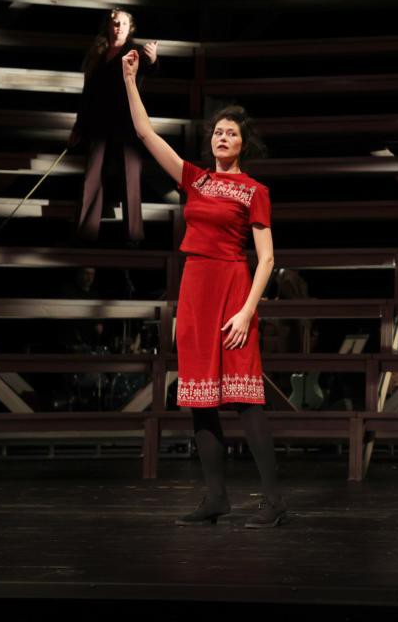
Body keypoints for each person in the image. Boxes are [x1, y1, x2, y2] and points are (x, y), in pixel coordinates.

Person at [121, 49, 285, 528]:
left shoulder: (255, 191)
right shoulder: (195, 180)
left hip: (235, 290)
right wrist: (131, 80)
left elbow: (268, 257)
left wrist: (247, 312)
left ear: (243, 144)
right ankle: (215, 497)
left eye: (231, 132)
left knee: (246, 398)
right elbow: (145, 134)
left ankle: (273, 501)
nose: (222, 136)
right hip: (195, 288)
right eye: (217, 131)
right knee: (200, 397)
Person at [70, 8, 159, 245]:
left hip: (127, 126)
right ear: (108, 26)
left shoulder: (134, 52)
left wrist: (152, 59)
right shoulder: (97, 55)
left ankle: (134, 238)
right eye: (114, 23)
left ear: (130, 28)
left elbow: (149, 71)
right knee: (92, 178)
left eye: (122, 23)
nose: (117, 27)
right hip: (98, 126)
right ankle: (85, 236)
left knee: (131, 178)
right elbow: (87, 94)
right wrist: (78, 127)